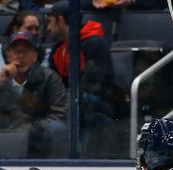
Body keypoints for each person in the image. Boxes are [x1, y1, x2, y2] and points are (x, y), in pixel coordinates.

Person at [0, 31, 67, 158]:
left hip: (38, 139)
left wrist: (28, 130)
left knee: (57, 129)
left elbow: (60, 115)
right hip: (4, 139)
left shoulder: (49, 78)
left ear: (35, 56)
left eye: (25, 51)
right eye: (16, 51)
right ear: (8, 56)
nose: (20, 56)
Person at [44, 0, 118, 158]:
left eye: (50, 22)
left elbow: (93, 87)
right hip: (73, 100)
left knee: (75, 102)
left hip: (101, 103)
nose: (48, 28)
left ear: (61, 20)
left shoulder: (94, 43)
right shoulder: (58, 49)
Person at [0, 10, 42, 76]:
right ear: (16, 29)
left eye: (37, 29)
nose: (34, 32)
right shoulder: (1, 45)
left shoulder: (41, 49)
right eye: (29, 28)